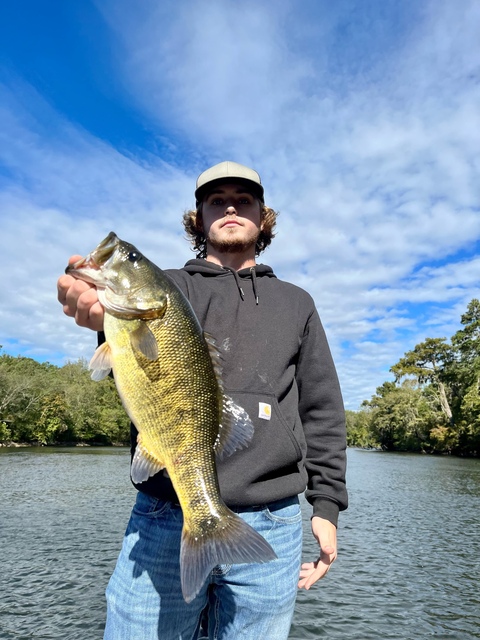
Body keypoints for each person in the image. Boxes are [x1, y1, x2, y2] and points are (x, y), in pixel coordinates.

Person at [57, 160, 348, 640]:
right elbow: (130, 361)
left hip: (272, 520)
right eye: (216, 200)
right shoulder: (170, 287)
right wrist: (89, 305)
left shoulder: (298, 302)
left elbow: (322, 410)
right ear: (198, 217)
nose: (230, 206)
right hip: (162, 516)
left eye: (244, 199)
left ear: (262, 215)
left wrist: (327, 504)